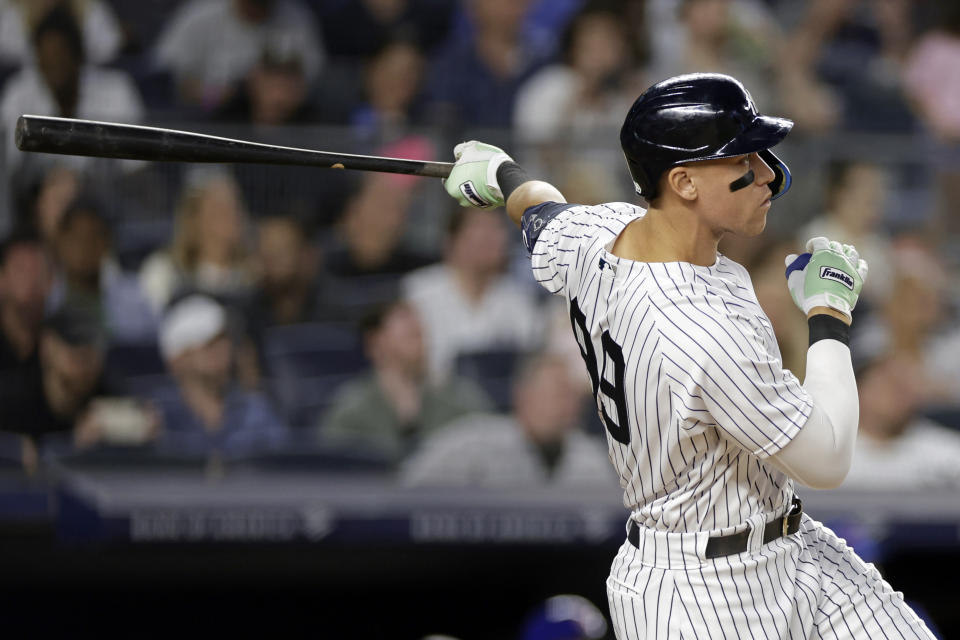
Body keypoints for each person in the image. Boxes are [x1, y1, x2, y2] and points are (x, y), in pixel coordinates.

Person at [440, 73, 934, 637]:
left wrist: (502, 173)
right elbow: (827, 459)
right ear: (685, 183)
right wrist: (828, 314)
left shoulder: (602, 231)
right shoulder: (700, 329)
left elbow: (541, 213)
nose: (768, 174)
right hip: (700, 595)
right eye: (742, 160)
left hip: (795, 552)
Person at [317, 299, 492, 465]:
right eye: (409, 334)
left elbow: (490, 439)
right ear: (375, 342)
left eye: (421, 334)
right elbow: (333, 458)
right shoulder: (354, 405)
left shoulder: (457, 395)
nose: (416, 327)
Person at [400, 353, 614, 488]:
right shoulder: (472, 444)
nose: (567, 406)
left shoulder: (590, 459)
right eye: (557, 395)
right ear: (523, 397)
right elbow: (408, 491)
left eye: (572, 398)